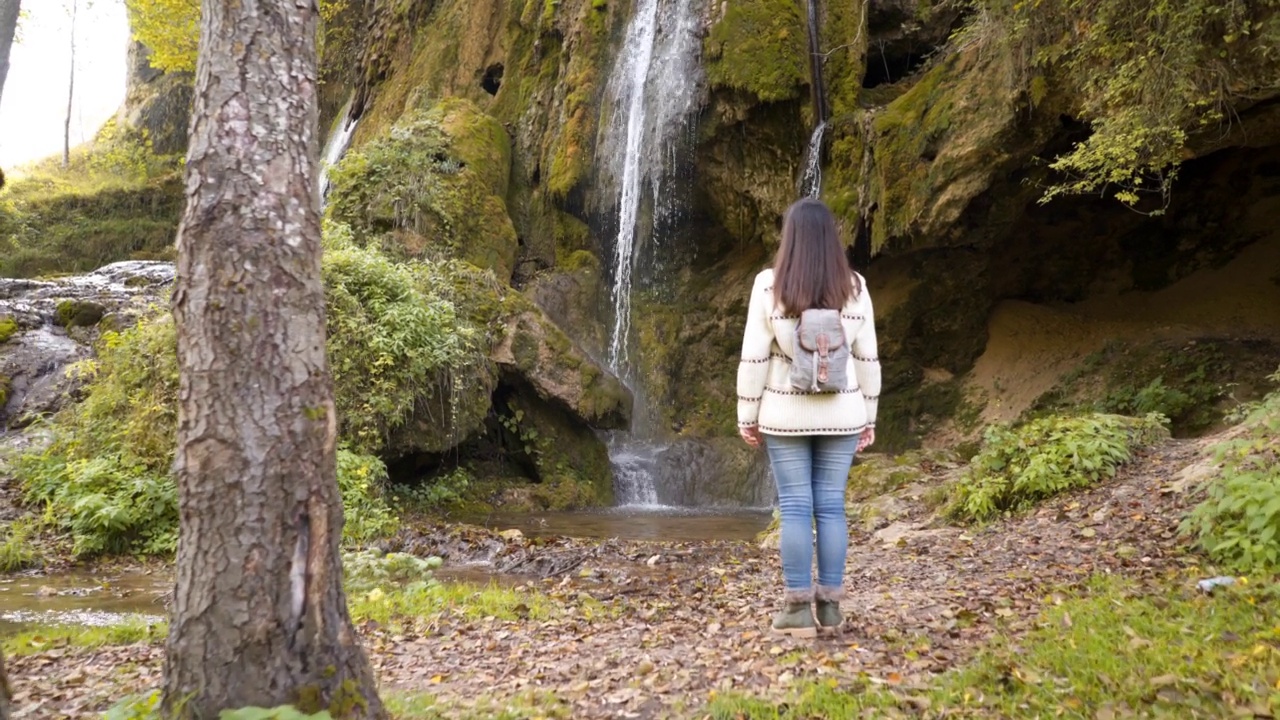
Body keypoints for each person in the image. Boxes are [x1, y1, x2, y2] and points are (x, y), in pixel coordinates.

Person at [736, 198, 880, 638]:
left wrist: (747, 411)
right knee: (832, 506)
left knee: (797, 508)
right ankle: (831, 611)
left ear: (791, 237)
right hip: (843, 413)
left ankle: (797, 611)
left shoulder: (769, 285)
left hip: (784, 413)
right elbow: (867, 357)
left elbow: (754, 357)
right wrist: (869, 415)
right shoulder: (854, 286)